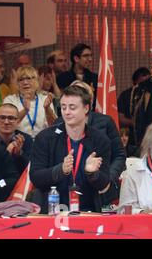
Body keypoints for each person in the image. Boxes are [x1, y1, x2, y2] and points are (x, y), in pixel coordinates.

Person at [30, 85, 111, 213]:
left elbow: (104, 183)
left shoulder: (100, 139)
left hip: (87, 211)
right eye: (63, 107)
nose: (66, 112)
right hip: (50, 211)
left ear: (86, 108)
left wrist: (92, 173)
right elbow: (35, 177)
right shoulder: (45, 137)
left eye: (72, 107)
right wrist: (60, 170)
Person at [54, 80, 126, 206]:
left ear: (89, 101)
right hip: (66, 189)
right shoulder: (58, 124)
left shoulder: (106, 121)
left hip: (100, 190)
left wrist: (108, 178)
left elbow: (119, 155)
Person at [3, 66, 56, 138]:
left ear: (36, 81)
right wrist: (25, 110)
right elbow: (7, 124)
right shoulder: (10, 100)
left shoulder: (44, 99)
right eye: (21, 79)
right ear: (17, 84)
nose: (25, 82)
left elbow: (54, 126)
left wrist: (47, 109)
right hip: (19, 141)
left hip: (42, 142)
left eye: (29, 78)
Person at [0, 104, 33, 175]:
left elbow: (30, 169)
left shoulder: (26, 139)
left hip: (17, 182)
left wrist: (19, 154)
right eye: (2, 117)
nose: (6, 122)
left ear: (18, 122)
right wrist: (7, 153)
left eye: (11, 118)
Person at [57, 43, 98, 109]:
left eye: (91, 56)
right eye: (86, 56)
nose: (90, 59)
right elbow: (60, 100)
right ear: (76, 58)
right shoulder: (63, 77)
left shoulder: (95, 78)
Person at [118, 67, 151, 145]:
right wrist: (136, 123)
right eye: (142, 83)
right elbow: (120, 118)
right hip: (131, 137)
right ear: (134, 83)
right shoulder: (125, 95)